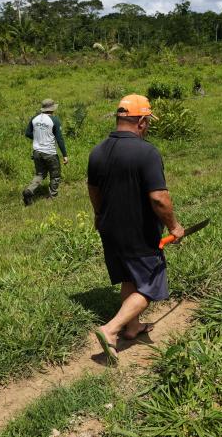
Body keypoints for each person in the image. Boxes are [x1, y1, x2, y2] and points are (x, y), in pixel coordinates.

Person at [87, 94, 185, 364]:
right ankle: (111, 329)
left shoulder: (97, 151)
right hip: (137, 233)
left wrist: (98, 215)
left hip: (109, 229)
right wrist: (174, 227)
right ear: (141, 121)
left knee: (130, 278)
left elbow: (93, 190)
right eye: (148, 122)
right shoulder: (147, 152)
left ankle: (132, 327)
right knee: (151, 284)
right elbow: (158, 198)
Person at [22, 98, 69, 205]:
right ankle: (53, 197)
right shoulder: (54, 120)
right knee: (55, 174)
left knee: (40, 174)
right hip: (50, 153)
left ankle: (29, 190)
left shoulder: (34, 118)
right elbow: (59, 139)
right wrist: (65, 155)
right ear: (52, 108)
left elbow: (28, 133)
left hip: (37, 152)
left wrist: (38, 137)